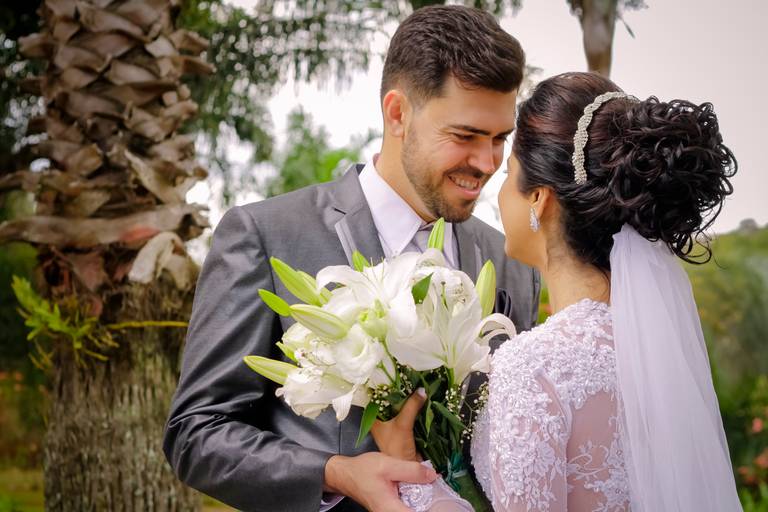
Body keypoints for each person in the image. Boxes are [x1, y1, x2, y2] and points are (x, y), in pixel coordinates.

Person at [162, 6, 540, 512]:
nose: (487, 164)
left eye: (499, 140)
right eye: (466, 136)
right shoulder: (267, 235)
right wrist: (335, 473)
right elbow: (196, 433)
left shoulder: (511, 260)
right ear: (398, 113)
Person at [372, 71, 743, 511]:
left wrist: (407, 467)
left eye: (509, 174)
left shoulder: (535, 365)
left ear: (539, 199)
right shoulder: (657, 352)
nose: (498, 194)